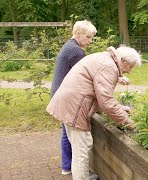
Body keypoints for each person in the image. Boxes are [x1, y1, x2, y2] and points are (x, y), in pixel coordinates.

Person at [46, 46, 141, 180]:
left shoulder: (105, 58)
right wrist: (130, 123)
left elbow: (100, 94)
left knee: (80, 146)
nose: (130, 72)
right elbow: (106, 102)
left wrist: (119, 106)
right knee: (81, 150)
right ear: (123, 60)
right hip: (75, 107)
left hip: (70, 104)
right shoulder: (109, 67)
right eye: (131, 67)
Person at [50, 20, 97, 176]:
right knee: (70, 133)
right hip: (65, 97)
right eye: (88, 37)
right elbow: (86, 76)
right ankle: (70, 166)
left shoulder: (69, 46)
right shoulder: (76, 51)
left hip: (58, 94)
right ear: (78, 34)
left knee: (66, 132)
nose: (90, 41)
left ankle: (67, 166)